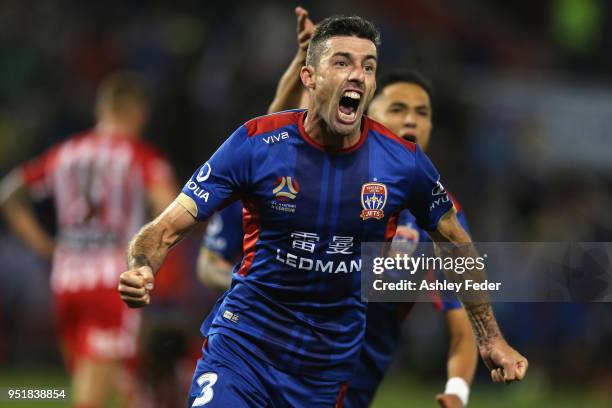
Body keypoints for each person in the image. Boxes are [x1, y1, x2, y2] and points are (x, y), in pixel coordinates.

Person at [118, 15, 527, 407]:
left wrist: (490, 338)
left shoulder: (402, 163)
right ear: (309, 78)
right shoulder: (256, 144)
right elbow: (166, 226)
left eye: (368, 67)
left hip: (323, 371)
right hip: (243, 348)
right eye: (342, 62)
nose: (357, 75)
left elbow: (456, 242)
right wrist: (142, 265)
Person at [201, 8, 477, 408]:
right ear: (369, 114)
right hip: (253, 363)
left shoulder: (436, 217)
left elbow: (463, 314)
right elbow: (208, 263)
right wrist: (271, 301)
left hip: (340, 390)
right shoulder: (275, 184)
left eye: (422, 113)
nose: (411, 123)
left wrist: (458, 392)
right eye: (397, 110)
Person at [0, 71, 177, 408]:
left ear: (102, 109)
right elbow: (171, 206)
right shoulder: (140, 155)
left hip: (66, 280)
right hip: (114, 282)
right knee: (115, 387)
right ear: (137, 111)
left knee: (101, 383)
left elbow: (8, 195)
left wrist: (45, 246)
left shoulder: (65, 153)